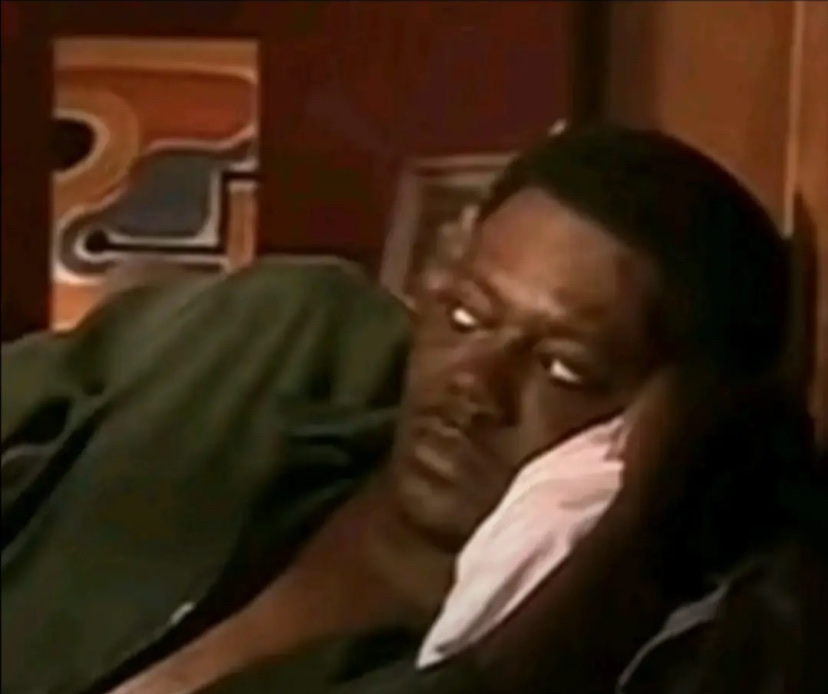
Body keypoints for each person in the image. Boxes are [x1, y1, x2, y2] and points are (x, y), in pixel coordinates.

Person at [1, 125, 822, 694]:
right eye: (465, 316)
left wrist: (625, 539)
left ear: (655, 425)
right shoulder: (266, 355)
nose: (475, 385)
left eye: (562, 366)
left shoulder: (579, 645)